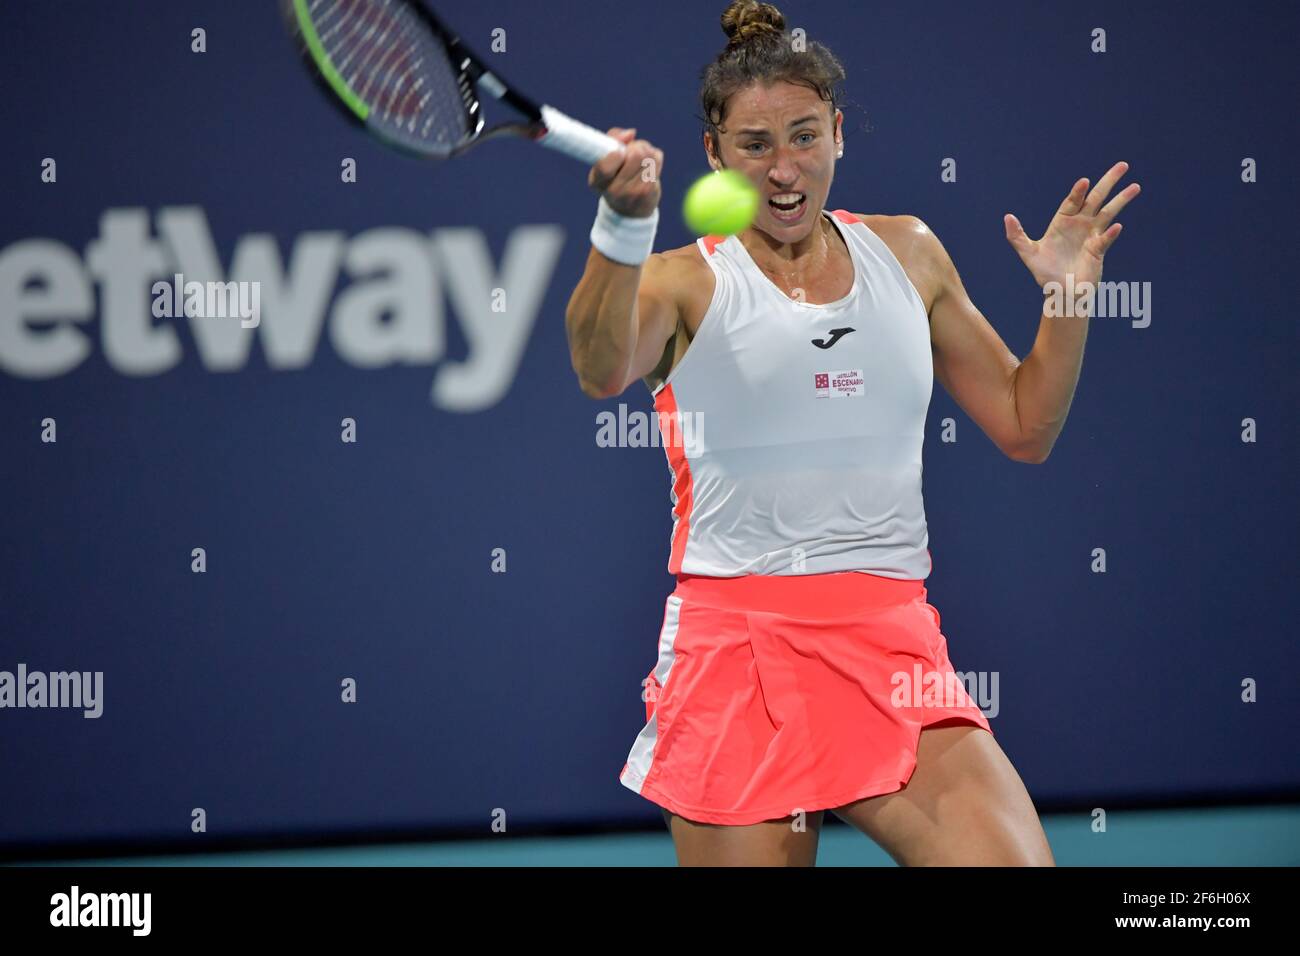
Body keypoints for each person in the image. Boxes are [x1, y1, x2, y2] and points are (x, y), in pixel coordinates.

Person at [564, 0, 1138, 866]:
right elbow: (598, 367)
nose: (784, 168)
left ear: (837, 131)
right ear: (715, 154)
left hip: (891, 646)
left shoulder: (908, 253)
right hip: (736, 656)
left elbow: (1026, 425)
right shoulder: (681, 282)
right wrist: (621, 230)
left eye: (804, 136)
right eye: (755, 146)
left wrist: (1068, 295)